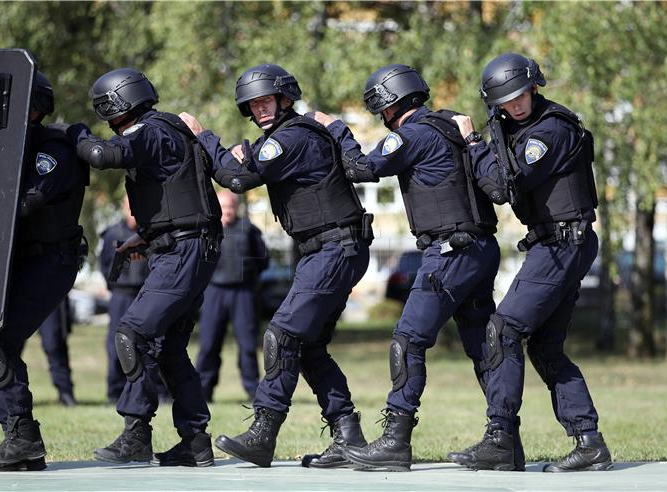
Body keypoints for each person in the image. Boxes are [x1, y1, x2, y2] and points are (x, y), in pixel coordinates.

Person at [309, 64, 504, 472]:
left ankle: (396, 440)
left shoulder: (412, 134)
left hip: (449, 252)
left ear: (387, 102)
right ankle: (504, 438)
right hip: (479, 248)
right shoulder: (450, 125)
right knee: (484, 348)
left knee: (408, 341)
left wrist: (338, 129)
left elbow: (362, 169)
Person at [180, 63, 372, 469]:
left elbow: (236, 178)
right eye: (253, 104)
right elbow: (246, 165)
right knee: (308, 345)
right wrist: (239, 152)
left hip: (333, 249)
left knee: (282, 336)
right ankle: (348, 435)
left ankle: (264, 433)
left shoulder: (293, 136)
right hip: (325, 250)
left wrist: (203, 137)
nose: (260, 109)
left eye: (266, 100)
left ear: (285, 98)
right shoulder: (286, 138)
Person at [446, 52, 612, 472]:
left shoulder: (550, 130)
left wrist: (471, 144)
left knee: (503, 330)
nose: (515, 104)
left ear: (534, 86)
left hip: (563, 244)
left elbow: (503, 186)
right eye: (505, 100)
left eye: (519, 95)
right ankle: (588, 442)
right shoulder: (513, 127)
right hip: (553, 243)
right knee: (545, 346)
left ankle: (499, 437)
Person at [68, 67, 221, 467]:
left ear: (117, 104)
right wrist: (149, 237)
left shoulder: (149, 129)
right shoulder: (164, 130)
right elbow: (178, 196)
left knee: (132, 334)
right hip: (185, 247)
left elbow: (104, 155)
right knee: (169, 348)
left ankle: (136, 434)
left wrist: (76, 135)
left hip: (184, 253)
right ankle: (195, 441)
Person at [0, 71, 88, 472]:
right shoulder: (11, 148)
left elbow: (26, 202)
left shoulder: (52, 149)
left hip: (51, 260)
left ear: (35, 107)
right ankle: (21, 442)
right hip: (27, 261)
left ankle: (23, 438)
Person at [195, 190, 268, 403]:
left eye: (230, 206)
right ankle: (203, 392)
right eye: (223, 207)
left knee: (247, 345)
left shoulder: (249, 230)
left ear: (236, 207)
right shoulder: (206, 229)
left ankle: (254, 393)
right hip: (213, 292)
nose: (226, 211)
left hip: (242, 294)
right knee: (208, 345)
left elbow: (263, 261)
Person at [98, 196, 170, 405]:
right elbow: (104, 264)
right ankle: (115, 392)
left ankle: (159, 390)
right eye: (128, 206)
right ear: (123, 207)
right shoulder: (112, 232)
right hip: (121, 295)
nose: (132, 211)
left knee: (156, 343)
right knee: (116, 343)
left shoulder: (154, 232)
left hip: (148, 294)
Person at [23, 299, 76, 406]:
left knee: (54, 343)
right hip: (15, 291)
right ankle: (2, 394)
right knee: (9, 345)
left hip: (48, 289)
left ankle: (65, 391)